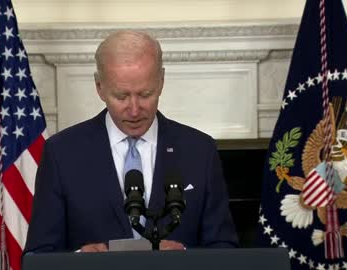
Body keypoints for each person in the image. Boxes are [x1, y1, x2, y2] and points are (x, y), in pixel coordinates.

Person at [24, 30, 238, 253]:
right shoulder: (62, 154)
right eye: (121, 96)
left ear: (162, 81)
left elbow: (225, 248)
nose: (135, 110)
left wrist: (184, 257)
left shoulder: (200, 151)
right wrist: (79, 260)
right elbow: (38, 256)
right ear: (99, 87)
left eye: (145, 94)